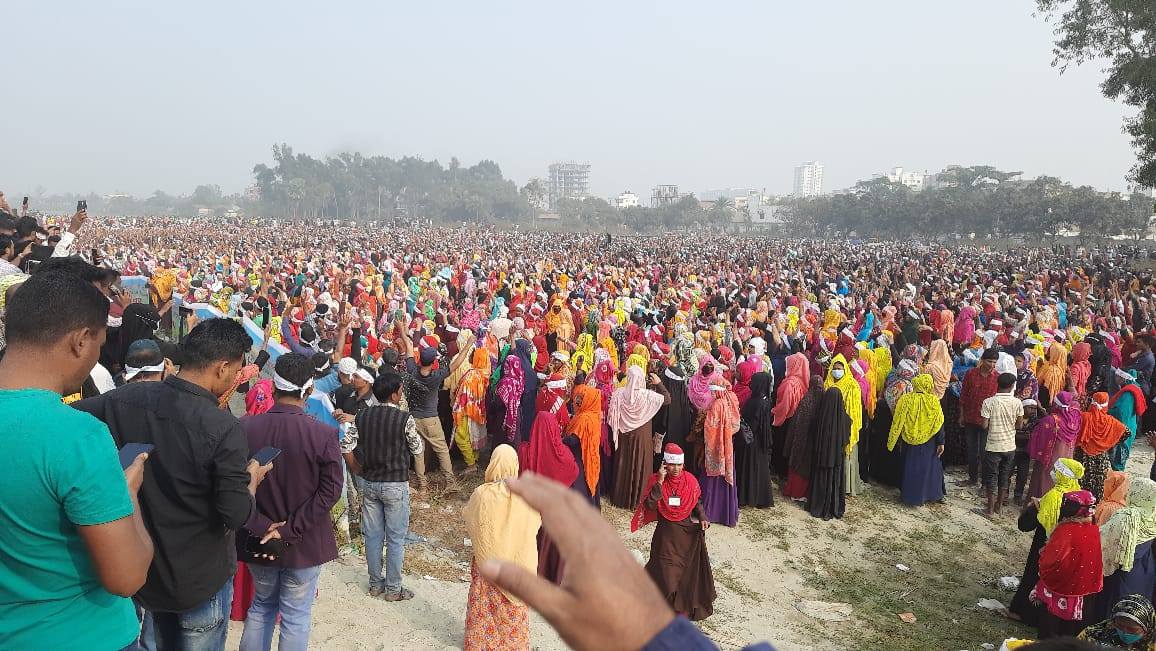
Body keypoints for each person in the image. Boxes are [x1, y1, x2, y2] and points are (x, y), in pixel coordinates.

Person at [74, 317, 274, 651]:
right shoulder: (222, 429)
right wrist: (251, 479)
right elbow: (235, 514)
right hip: (199, 581)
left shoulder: (125, 399)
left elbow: (70, 417)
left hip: (146, 573)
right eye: (238, 369)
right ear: (223, 367)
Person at [0, 271, 153, 649]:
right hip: (84, 634)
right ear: (81, 340)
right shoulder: (77, 435)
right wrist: (128, 494)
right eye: (100, 342)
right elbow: (127, 577)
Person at [236, 353, 344, 651]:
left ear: (272, 388)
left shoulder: (246, 427)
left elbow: (237, 484)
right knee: (296, 616)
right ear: (308, 391)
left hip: (258, 537)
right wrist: (289, 529)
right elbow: (331, 490)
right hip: (303, 542)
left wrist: (263, 526)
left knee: (260, 608)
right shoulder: (323, 434)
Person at [342, 372, 424, 601]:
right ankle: (394, 589)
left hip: (369, 482)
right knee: (396, 538)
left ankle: (375, 584)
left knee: (373, 536)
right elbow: (416, 449)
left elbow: (346, 445)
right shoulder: (404, 418)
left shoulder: (362, 416)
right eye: (401, 390)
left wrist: (356, 468)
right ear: (395, 395)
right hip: (395, 484)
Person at [463, 444, 542, 651]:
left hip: (487, 563)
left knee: (484, 605)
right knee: (512, 609)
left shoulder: (481, 494)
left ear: (493, 463)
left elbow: (469, 518)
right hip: (518, 564)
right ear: (515, 465)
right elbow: (535, 524)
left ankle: (481, 644)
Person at [630, 443, 716, 621]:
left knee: (682, 576)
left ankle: (677, 610)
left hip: (685, 536)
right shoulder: (656, 481)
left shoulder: (690, 481)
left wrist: (702, 516)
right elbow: (650, 505)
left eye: (679, 465)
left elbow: (696, 501)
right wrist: (660, 481)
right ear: (665, 464)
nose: (676, 469)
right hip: (665, 538)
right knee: (665, 574)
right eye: (672, 464)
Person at [401, 330, 474, 491]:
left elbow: (408, 346)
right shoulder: (436, 376)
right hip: (431, 419)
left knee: (418, 451)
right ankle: (450, 483)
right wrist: (468, 344)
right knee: (441, 449)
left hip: (414, 418)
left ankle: (422, 485)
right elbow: (456, 364)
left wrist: (401, 327)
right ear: (433, 360)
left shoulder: (412, 370)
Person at [1031, 490, 1102, 639]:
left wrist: (1043, 554)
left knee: (1051, 627)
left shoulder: (1065, 530)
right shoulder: (1093, 529)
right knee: (1070, 631)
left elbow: (1052, 560)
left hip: (1060, 585)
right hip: (1084, 588)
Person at [607, 365, 670, 509]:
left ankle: (620, 498)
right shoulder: (648, 396)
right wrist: (658, 383)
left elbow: (612, 416)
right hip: (641, 437)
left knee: (623, 463)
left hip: (623, 435)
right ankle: (638, 499)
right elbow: (667, 399)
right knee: (639, 463)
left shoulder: (619, 393)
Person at [1095, 478, 1156, 623]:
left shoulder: (1126, 516)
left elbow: (1103, 541)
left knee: (1116, 604)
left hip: (1122, 568)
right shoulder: (1152, 515)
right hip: (1145, 567)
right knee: (1137, 605)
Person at [886, 374, 946, 506]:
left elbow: (898, 419)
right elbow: (939, 423)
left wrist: (894, 439)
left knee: (910, 467)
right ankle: (930, 494)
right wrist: (941, 442)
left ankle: (909, 495)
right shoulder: (933, 401)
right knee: (929, 468)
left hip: (909, 439)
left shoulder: (906, 399)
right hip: (930, 441)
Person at [980, 372, 1025, 515]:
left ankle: (990, 509)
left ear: (997, 384)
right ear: (1012, 386)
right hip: (1010, 446)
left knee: (991, 477)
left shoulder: (989, 402)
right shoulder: (1017, 402)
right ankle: (999, 507)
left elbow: (984, 425)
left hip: (993, 445)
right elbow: (1019, 426)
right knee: (1004, 476)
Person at [1028, 391, 1082, 500]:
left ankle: (1040, 504)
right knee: (1061, 480)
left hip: (1050, 458)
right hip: (1067, 458)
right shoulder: (1075, 419)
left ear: (1056, 404)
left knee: (1045, 480)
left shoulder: (1050, 420)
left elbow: (1039, 440)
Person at [1076, 392, 1128, 502]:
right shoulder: (1111, 421)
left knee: (1080, 484)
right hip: (1101, 458)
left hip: (1083, 457)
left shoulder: (1084, 417)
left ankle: (1080, 509)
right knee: (1099, 486)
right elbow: (1126, 432)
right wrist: (1110, 441)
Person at [960, 349, 1000, 487]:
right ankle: (972, 478)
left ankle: (985, 483)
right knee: (972, 450)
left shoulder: (997, 377)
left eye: (995, 362)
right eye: (989, 361)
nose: (992, 365)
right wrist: (961, 415)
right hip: (970, 417)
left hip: (986, 421)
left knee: (984, 452)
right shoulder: (971, 374)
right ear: (982, 360)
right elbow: (964, 395)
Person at [809, 387, 852, 520]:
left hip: (821, 459)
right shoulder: (845, 419)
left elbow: (813, 436)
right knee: (835, 481)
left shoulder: (820, 416)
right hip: (836, 460)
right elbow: (846, 438)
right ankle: (834, 507)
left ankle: (818, 505)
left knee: (821, 480)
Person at [825, 354, 863, 496]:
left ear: (845, 369)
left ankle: (846, 486)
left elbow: (854, 409)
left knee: (847, 455)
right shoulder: (827, 382)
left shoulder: (852, 385)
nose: (836, 371)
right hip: (830, 426)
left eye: (839, 368)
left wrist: (846, 425)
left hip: (845, 425)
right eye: (834, 368)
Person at [781, 376, 824, 500]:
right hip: (806, 441)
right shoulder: (814, 401)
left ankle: (798, 492)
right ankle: (798, 492)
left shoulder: (808, 400)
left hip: (805, 441)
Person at [736, 371, 774, 507]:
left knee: (749, 468)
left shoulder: (757, 402)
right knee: (759, 468)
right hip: (758, 441)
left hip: (751, 440)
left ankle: (748, 496)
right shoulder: (764, 400)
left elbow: (753, 423)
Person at [1078, 594, 1156, 649]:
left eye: (1131, 629)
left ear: (1147, 628)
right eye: (1119, 626)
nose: (1124, 632)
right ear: (1113, 621)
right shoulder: (1092, 635)